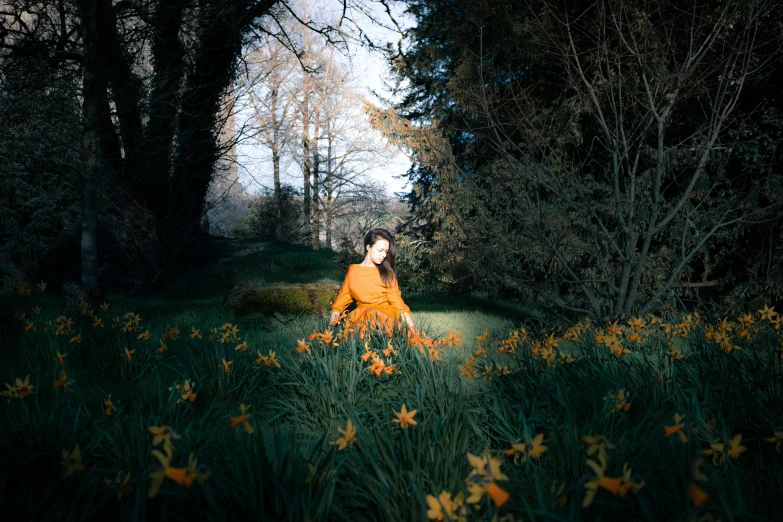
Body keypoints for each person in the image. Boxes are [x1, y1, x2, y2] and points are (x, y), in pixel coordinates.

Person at [329, 228, 415, 333]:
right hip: (359, 318)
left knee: (369, 318)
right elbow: (339, 304)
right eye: (380, 250)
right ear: (368, 247)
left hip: (383, 319)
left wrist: (413, 331)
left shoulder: (387, 274)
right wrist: (329, 332)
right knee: (357, 325)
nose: (384, 255)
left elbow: (398, 304)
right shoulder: (353, 272)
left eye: (386, 252)